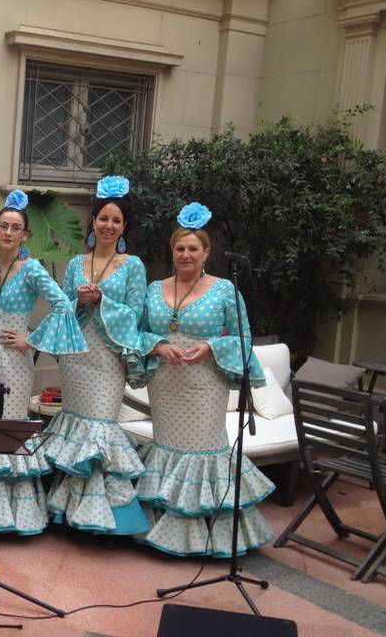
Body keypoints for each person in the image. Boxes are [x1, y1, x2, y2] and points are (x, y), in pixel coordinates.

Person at [133, 203, 273, 556]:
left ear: (206, 252)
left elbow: (243, 336)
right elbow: (139, 333)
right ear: (172, 251)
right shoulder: (154, 288)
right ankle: (163, 528)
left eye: (193, 248)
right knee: (168, 446)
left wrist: (211, 347)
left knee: (203, 449)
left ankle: (207, 534)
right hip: (165, 382)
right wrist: (159, 345)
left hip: (205, 383)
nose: (185, 254)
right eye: (180, 248)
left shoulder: (225, 289)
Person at [0, 190, 87, 535]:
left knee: (10, 423)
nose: (9, 232)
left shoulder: (31, 269)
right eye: (4, 226)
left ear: (25, 234)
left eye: (16, 227)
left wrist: (31, 340)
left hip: (15, 358)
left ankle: (12, 513)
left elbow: (63, 304)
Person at [41, 175, 149, 536]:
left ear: (124, 227)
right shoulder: (76, 264)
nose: (109, 225)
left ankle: (109, 519)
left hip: (107, 357)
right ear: (94, 222)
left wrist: (104, 300)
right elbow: (60, 308)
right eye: (104, 218)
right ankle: (70, 511)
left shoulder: (132, 265)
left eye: (116, 220)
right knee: (75, 423)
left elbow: (137, 313)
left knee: (100, 427)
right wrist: (78, 300)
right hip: (76, 356)